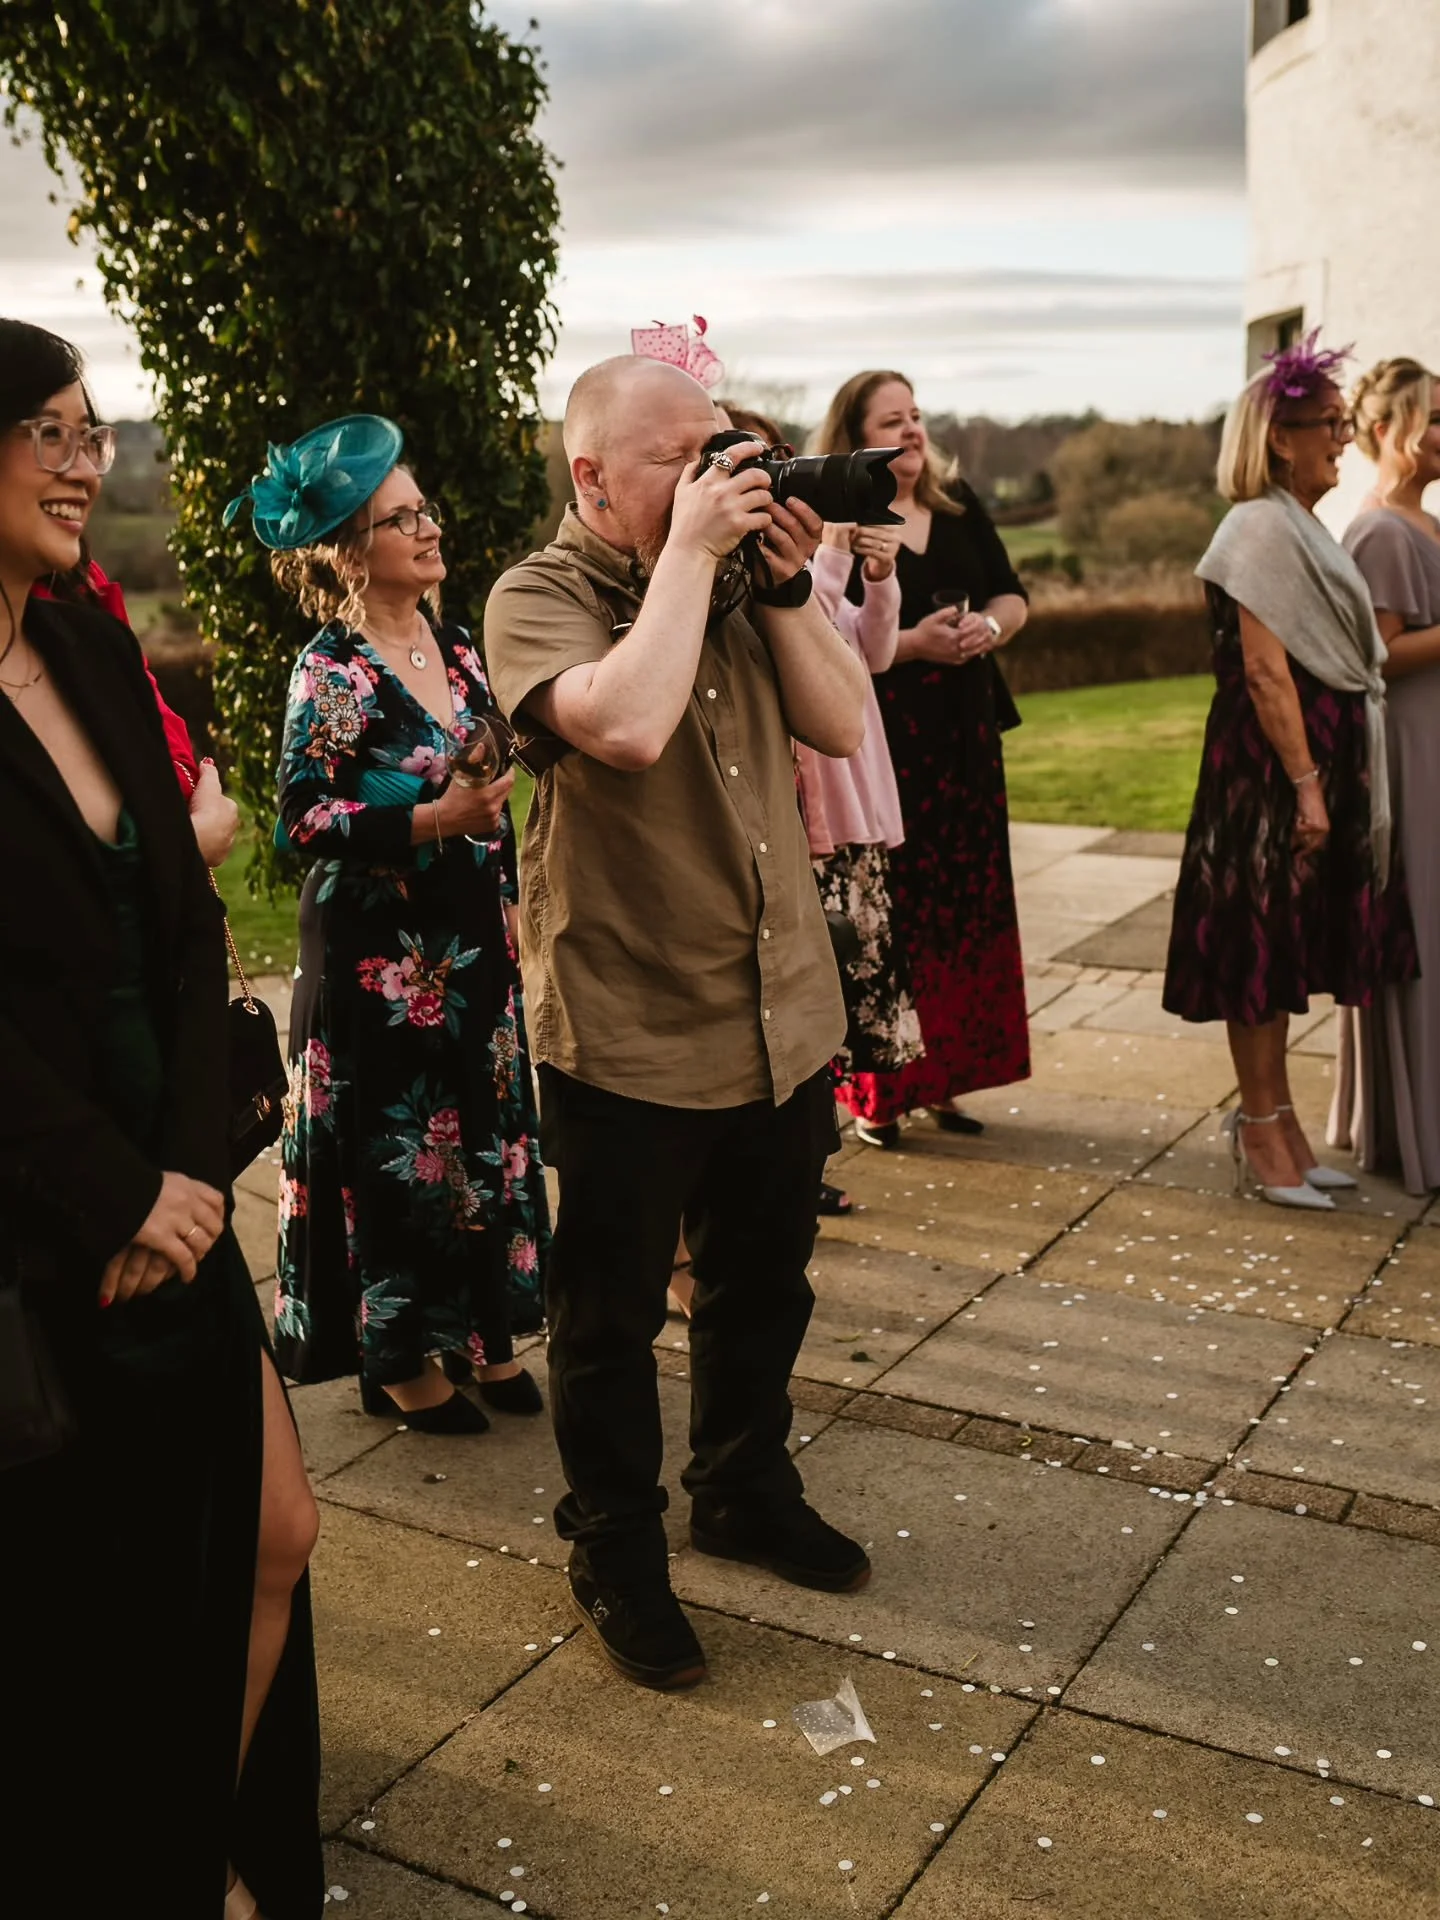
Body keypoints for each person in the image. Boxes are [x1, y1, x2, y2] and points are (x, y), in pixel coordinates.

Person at [485, 355, 871, 1693]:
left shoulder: (737, 583)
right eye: (678, 458)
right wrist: (694, 564)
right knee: (607, 1318)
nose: (717, 475)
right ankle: (615, 1546)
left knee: (766, 1282)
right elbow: (629, 728)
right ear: (590, 475)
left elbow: (841, 720)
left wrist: (774, 584)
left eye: (722, 446)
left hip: (781, 1013)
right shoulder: (535, 596)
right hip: (630, 1025)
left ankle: (742, 1488)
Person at [0, 321, 321, 1916]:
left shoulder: (95, 648)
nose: (89, 463)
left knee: (275, 1533)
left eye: (94, 429)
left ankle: (185, 1839)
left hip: (179, 1196)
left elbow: (193, 929)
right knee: (86, 1616)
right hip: (44, 1232)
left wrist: (192, 1173)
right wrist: (117, 1195)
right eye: (51, 433)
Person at [229, 416, 550, 1432]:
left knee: (482, 1132)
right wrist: (430, 817)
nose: (427, 527)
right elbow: (300, 814)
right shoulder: (330, 671)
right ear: (350, 548)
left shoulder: (453, 644)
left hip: (470, 936)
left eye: (425, 510)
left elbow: (484, 751)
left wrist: (491, 792)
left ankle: (484, 1333)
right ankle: (400, 1356)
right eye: (399, 517)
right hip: (379, 954)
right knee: (405, 1147)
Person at [1162, 334, 1417, 1208]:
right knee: (1255, 954)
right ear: (1280, 436)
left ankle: (1285, 1127)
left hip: (1305, 763)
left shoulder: (1300, 520)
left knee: (1282, 953)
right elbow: (1267, 670)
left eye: (1345, 423)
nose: (1343, 439)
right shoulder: (1257, 526)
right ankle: (1261, 1134)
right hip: (1269, 771)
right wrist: (1308, 784)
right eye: (1330, 424)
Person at [812, 371, 1030, 1149]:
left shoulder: (960, 506)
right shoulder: (837, 520)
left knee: (967, 910)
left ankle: (953, 1076)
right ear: (856, 435)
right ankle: (883, 1092)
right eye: (892, 419)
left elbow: (1011, 594)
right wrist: (916, 644)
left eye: (917, 416)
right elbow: (831, 638)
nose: (912, 431)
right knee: (892, 916)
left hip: (964, 734)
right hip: (884, 738)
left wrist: (988, 633)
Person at [1328, 357, 1440, 1193]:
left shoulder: (1422, 520)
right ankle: (1413, 1126)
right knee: (1424, 930)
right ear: (1386, 431)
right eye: (1434, 418)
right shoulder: (1380, 531)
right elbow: (1381, 656)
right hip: (1412, 748)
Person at [804, 519, 924, 1078]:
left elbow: (876, 650)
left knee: (862, 971)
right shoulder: (778, 587)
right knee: (823, 981)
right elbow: (808, 638)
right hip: (821, 811)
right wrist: (831, 557)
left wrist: (880, 577)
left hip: (860, 798)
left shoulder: (813, 577)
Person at [34, 549, 242, 866]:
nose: (85, 495)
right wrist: (186, 846)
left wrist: (193, 796)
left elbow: (154, 719)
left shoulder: (79, 582)